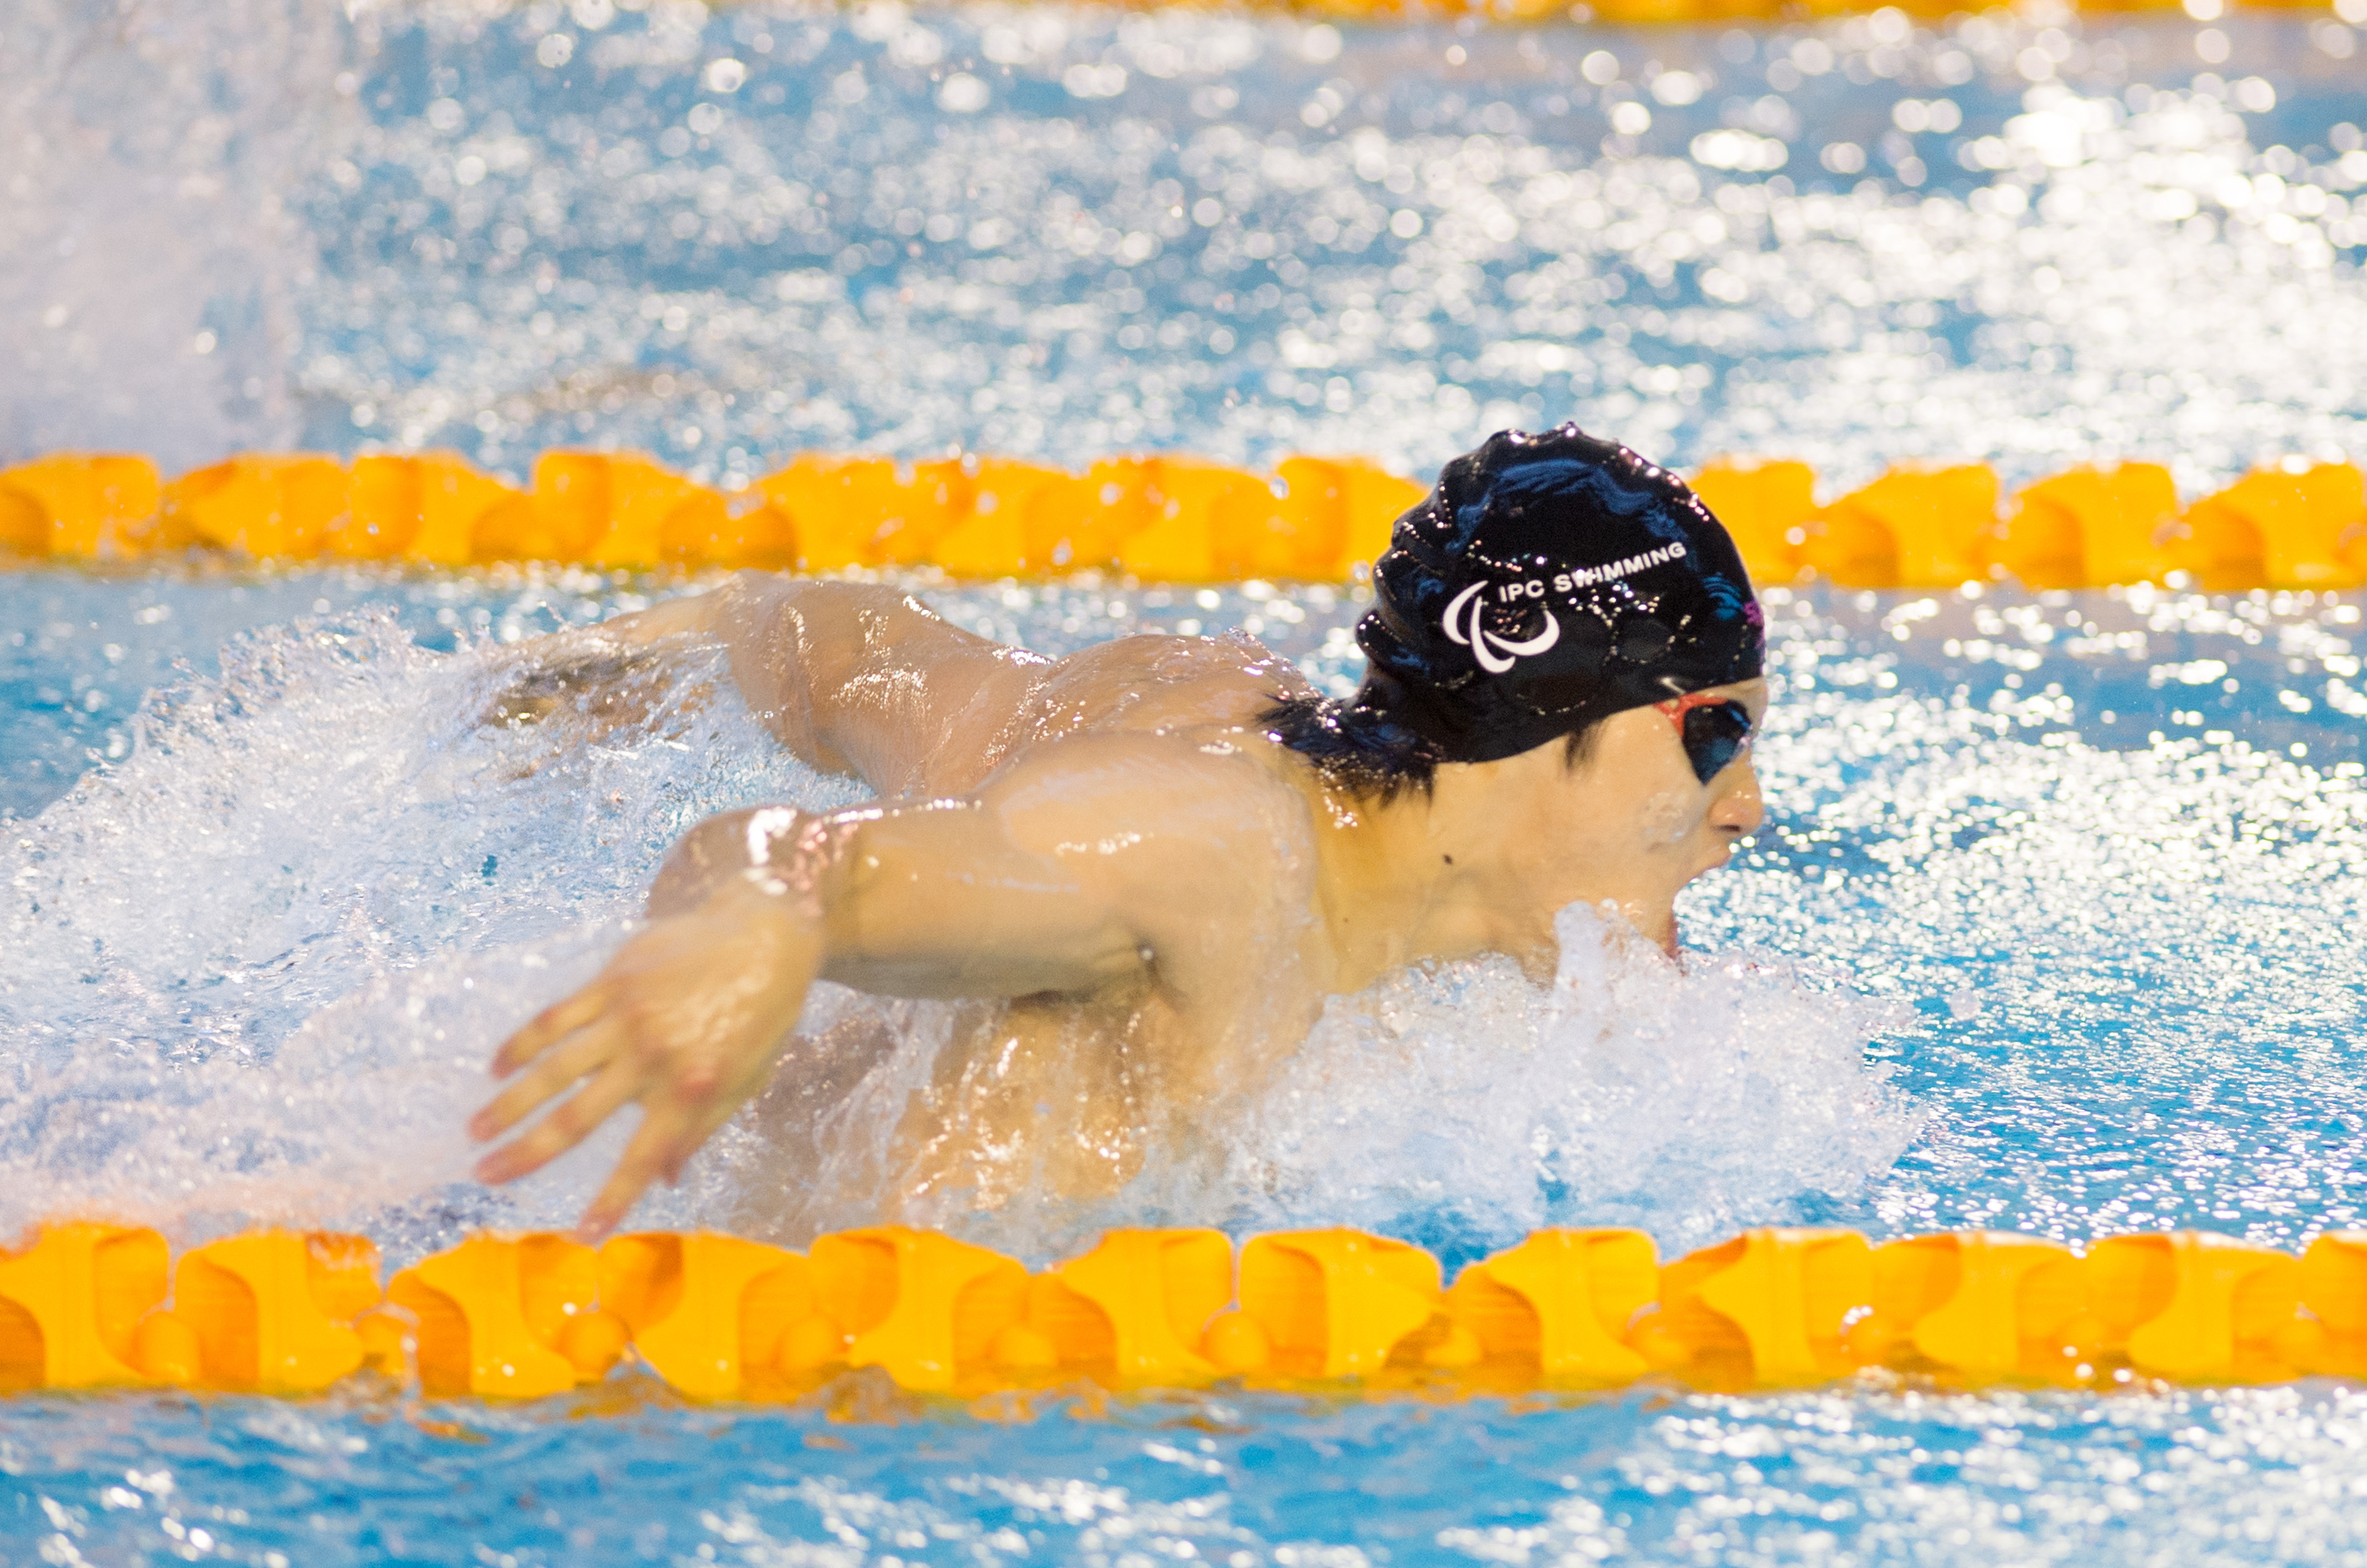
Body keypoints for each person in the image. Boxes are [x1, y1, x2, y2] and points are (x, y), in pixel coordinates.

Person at [469, 425, 1771, 1240]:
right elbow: (806, 865)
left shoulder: (1197, 694)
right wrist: (755, 924)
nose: (1745, 807)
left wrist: (595, 668)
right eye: (1716, 734)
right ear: (1550, 713)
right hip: (724, 1368)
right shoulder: (1215, 849)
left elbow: (843, 649)